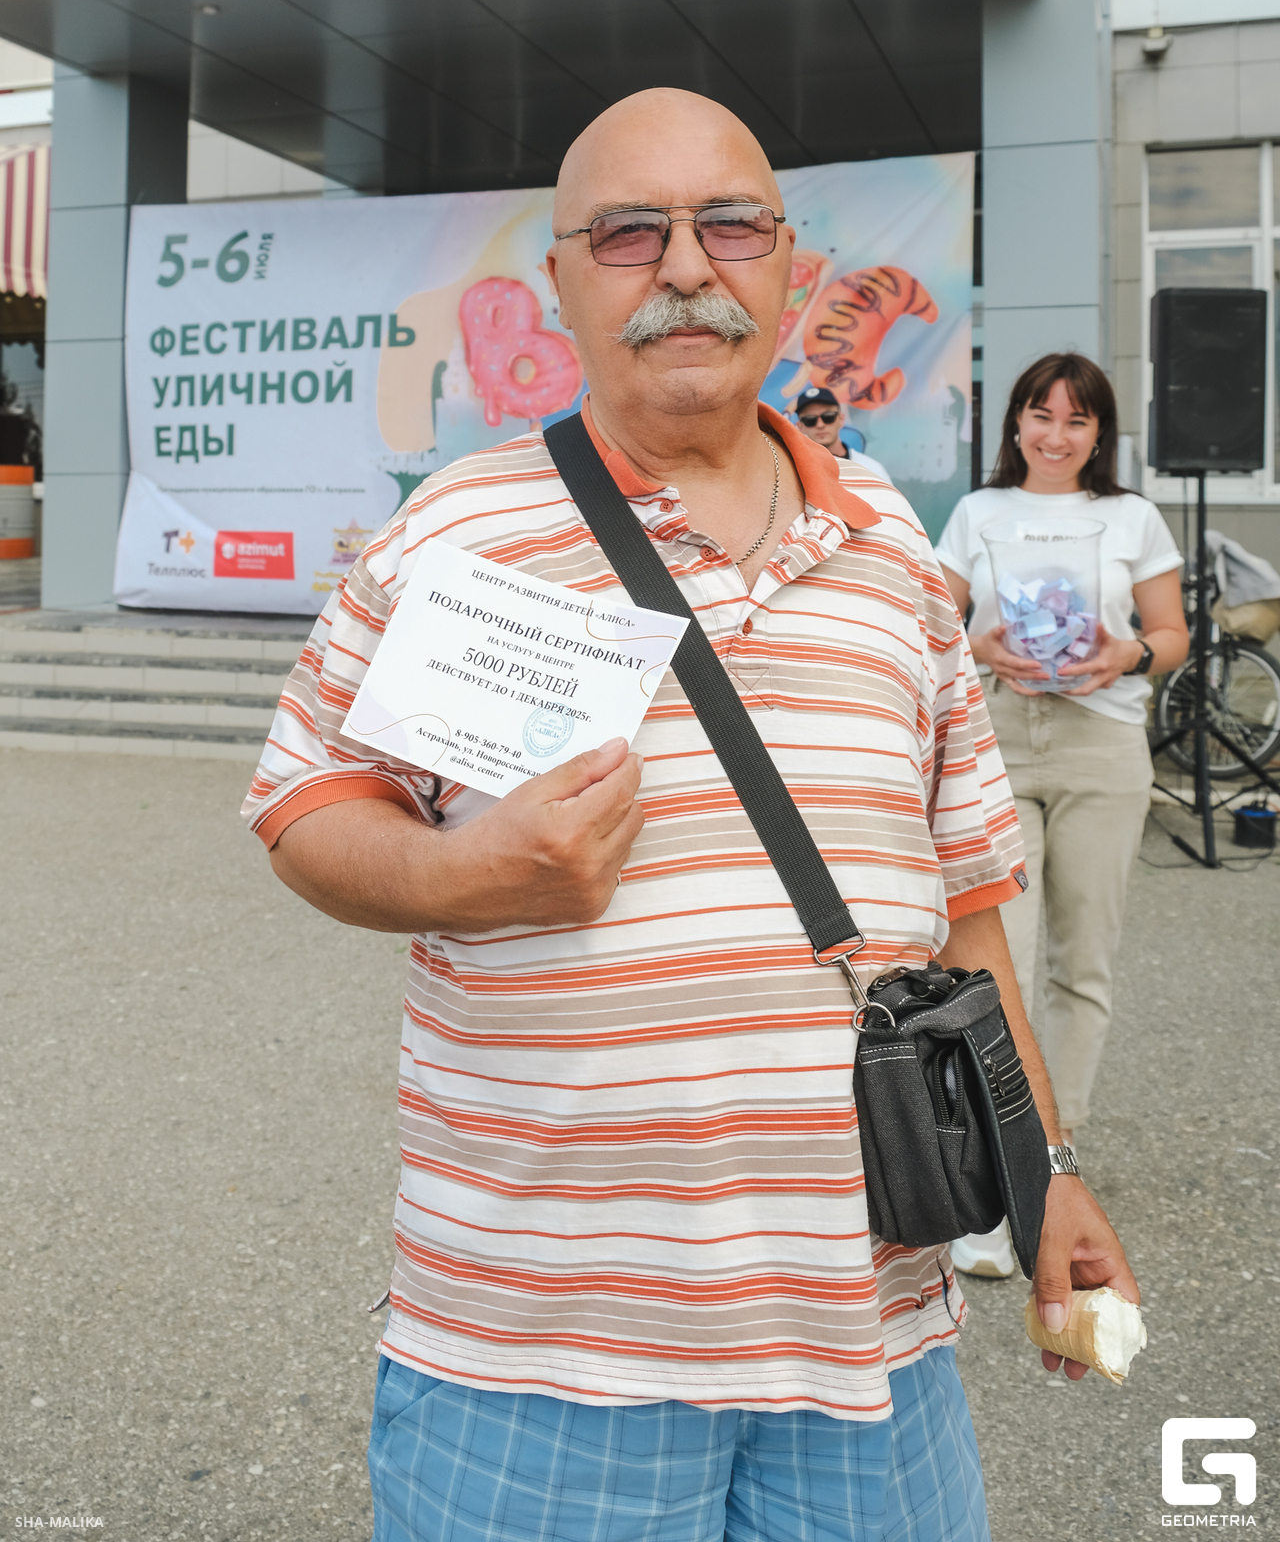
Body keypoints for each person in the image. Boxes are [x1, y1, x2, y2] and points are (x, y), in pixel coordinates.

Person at [245, 97, 1137, 1542]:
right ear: (558, 279)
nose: (682, 265)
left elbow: (968, 909)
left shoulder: (897, 557)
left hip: (873, 1342)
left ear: (785, 264)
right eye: (626, 233)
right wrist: (467, 873)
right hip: (532, 1355)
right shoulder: (457, 535)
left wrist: (1046, 1179)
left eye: (727, 224)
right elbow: (307, 804)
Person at [935, 353, 1187, 1281]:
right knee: (994, 963)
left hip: (1101, 745)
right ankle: (996, 1172)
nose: (1055, 434)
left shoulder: (1133, 517)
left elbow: (1170, 636)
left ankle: (1052, 1164)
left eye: (1076, 420)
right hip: (997, 737)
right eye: (1041, 415)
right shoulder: (977, 513)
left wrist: (1126, 655)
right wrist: (978, 645)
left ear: (1099, 433)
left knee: (1083, 964)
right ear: (1015, 423)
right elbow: (933, 629)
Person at [791, 382, 891, 479]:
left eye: (828, 417)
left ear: (841, 419)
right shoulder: (794, 473)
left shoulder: (872, 468)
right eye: (810, 420)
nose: (820, 425)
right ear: (800, 426)